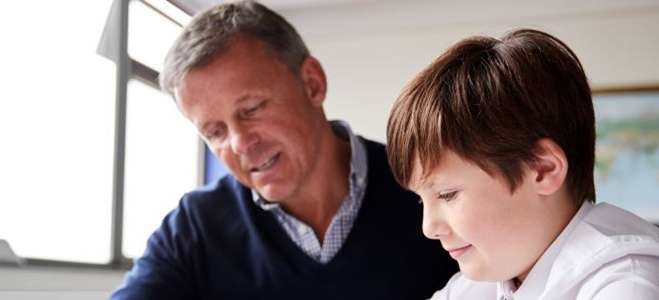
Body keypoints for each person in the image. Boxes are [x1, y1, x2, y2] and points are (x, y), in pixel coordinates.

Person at [110, 1, 457, 299]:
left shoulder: (427, 187)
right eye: (215, 132)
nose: (240, 143)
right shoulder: (195, 226)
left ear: (312, 84)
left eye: (251, 110)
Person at [386, 28, 659, 300]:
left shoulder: (630, 285)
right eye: (420, 199)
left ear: (543, 170)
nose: (429, 228)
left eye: (447, 195)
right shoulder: (478, 286)